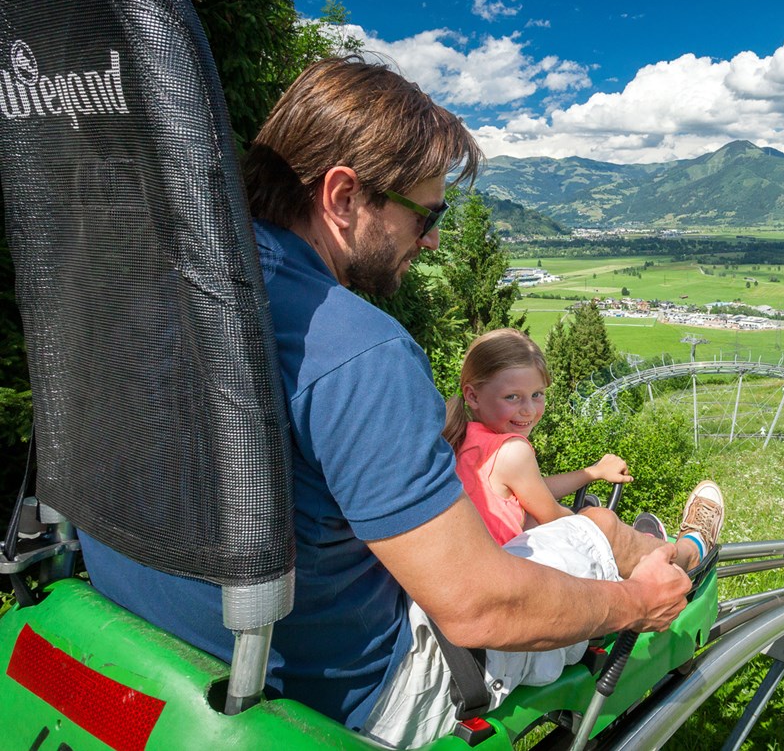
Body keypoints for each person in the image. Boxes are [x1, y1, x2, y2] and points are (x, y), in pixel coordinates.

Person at [78, 57, 720, 748]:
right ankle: (681, 557)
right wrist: (630, 605)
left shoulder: (149, 295)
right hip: (353, 691)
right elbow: (478, 607)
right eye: (426, 214)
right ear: (343, 197)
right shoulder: (356, 349)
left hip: (153, 637)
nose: (434, 238)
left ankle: (660, 549)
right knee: (591, 530)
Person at [443, 327, 718, 577]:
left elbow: (529, 490)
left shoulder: (459, 435)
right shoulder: (512, 451)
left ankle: (639, 544)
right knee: (600, 521)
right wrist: (600, 526)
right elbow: (553, 516)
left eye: (537, 394)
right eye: (512, 397)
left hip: (476, 568)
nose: (528, 410)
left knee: (549, 516)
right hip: (503, 575)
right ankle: (690, 552)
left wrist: (592, 473)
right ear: (473, 396)